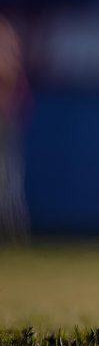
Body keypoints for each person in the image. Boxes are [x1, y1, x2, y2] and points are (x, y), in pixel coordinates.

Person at [0, 18, 29, 244]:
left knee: (9, 183)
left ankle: (14, 239)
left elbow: (11, 78)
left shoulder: (6, 35)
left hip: (5, 125)